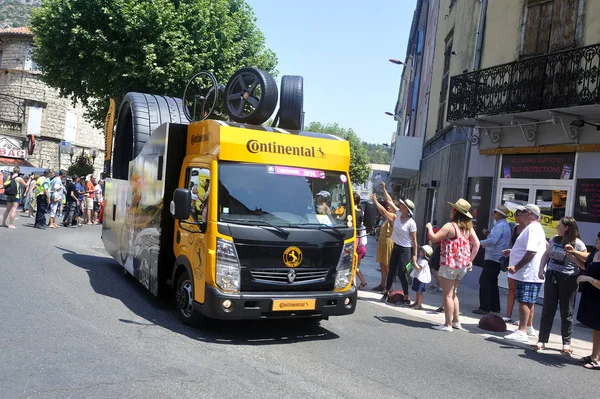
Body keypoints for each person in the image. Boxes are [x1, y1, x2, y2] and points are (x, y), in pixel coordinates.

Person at [532, 217, 587, 354]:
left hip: (568, 278)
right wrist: (541, 269)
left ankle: (566, 343)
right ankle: (542, 340)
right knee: (548, 309)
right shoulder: (554, 240)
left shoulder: (578, 244)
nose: (557, 228)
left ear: (567, 227)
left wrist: (573, 254)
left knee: (566, 311)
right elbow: (546, 254)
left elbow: (585, 261)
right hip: (552, 275)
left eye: (559, 226)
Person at [426, 198, 480, 331]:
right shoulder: (468, 228)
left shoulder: (450, 226)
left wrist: (429, 228)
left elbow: (433, 238)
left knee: (447, 295)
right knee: (453, 293)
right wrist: (470, 260)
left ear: (455, 212)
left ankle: (447, 324)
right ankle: (456, 321)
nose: (450, 211)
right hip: (462, 265)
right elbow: (477, 244)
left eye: (452, 209)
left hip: (449, 264)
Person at [503, 204, 547, 343]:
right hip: (530, 272)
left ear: (528, 213)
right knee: (529, 301)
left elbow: (531, 252)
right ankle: (527, 327)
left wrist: (516, 266)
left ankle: (522, 330)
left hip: (527, 272)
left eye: (521, 212)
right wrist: (513, 252)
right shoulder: (534, 228)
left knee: (524, 301)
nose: (519, 214)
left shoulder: (532, 229)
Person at [379, 182, 417, 305]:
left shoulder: (412, 223)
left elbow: (414, 241)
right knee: (391, 271)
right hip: (396, 246)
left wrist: (415, 255)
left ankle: (407, 297)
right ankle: (386, 292)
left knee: (401, 274)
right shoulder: (399, 213)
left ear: (407, 208)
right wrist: (384, 189)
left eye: (402, 205)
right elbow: (389, 201)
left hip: (405, 249)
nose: (400, 205)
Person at [474, 204, 512, 315]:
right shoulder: (505, 226)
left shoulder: (499, 226)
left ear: (500, 214)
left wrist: (479, 243)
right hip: (498, 257)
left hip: (492, 257)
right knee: (492, 282)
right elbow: (497, 239)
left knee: (485, 281)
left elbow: (493, 241)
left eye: (495, 212)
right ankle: (495, 306)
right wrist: (489, 234)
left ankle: (484, 307)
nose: (493, 214)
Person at [572, 231, 600, 369]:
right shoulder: (595, 252)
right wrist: (574, 259)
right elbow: (587, 267)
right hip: (592, 296)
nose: (596, 241)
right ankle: (594, 355)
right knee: (596, 328)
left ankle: (597, 359)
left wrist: (588, 279)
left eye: (598, 239)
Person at [503, 208, 526, 323]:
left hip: (523, 263)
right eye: (516, 214)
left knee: (522, 292)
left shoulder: (528, 230)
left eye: (519, 214)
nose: (517, 216)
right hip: (513, 261)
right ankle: (508, 315)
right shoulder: (515, 228)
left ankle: (521, 318)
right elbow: (512, 244)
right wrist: (510, 252)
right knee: (511, 289)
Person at [370, 194, 395, 292]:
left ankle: (389, 287)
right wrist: (384, 190)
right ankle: (382, 284)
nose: (388, 207)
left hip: (389, 242)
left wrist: (376, 201)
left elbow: (383, 211)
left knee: (387, 265)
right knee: (382, 265)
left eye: (390, 205)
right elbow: (389, 200)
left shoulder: (394, 216)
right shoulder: (387, 218)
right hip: (382, 242)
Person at [410, 245, 433, 310]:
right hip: (417, 277)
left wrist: (414, 261)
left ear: (425, 254)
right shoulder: (421, 259)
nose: (420, 252)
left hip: (421, 278)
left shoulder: (424, 261)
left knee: (420, 291)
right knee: (417, 291)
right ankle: (416, 302)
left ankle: (419, 304)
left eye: (422, 251)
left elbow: (418, 268)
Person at [354, 193, 368, 289]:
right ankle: (362, 283)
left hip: (358, 246)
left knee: (353, 268)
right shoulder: (360, 212)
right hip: (361, 246)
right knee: (354, 268)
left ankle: (354, 286)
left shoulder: (351, 212)